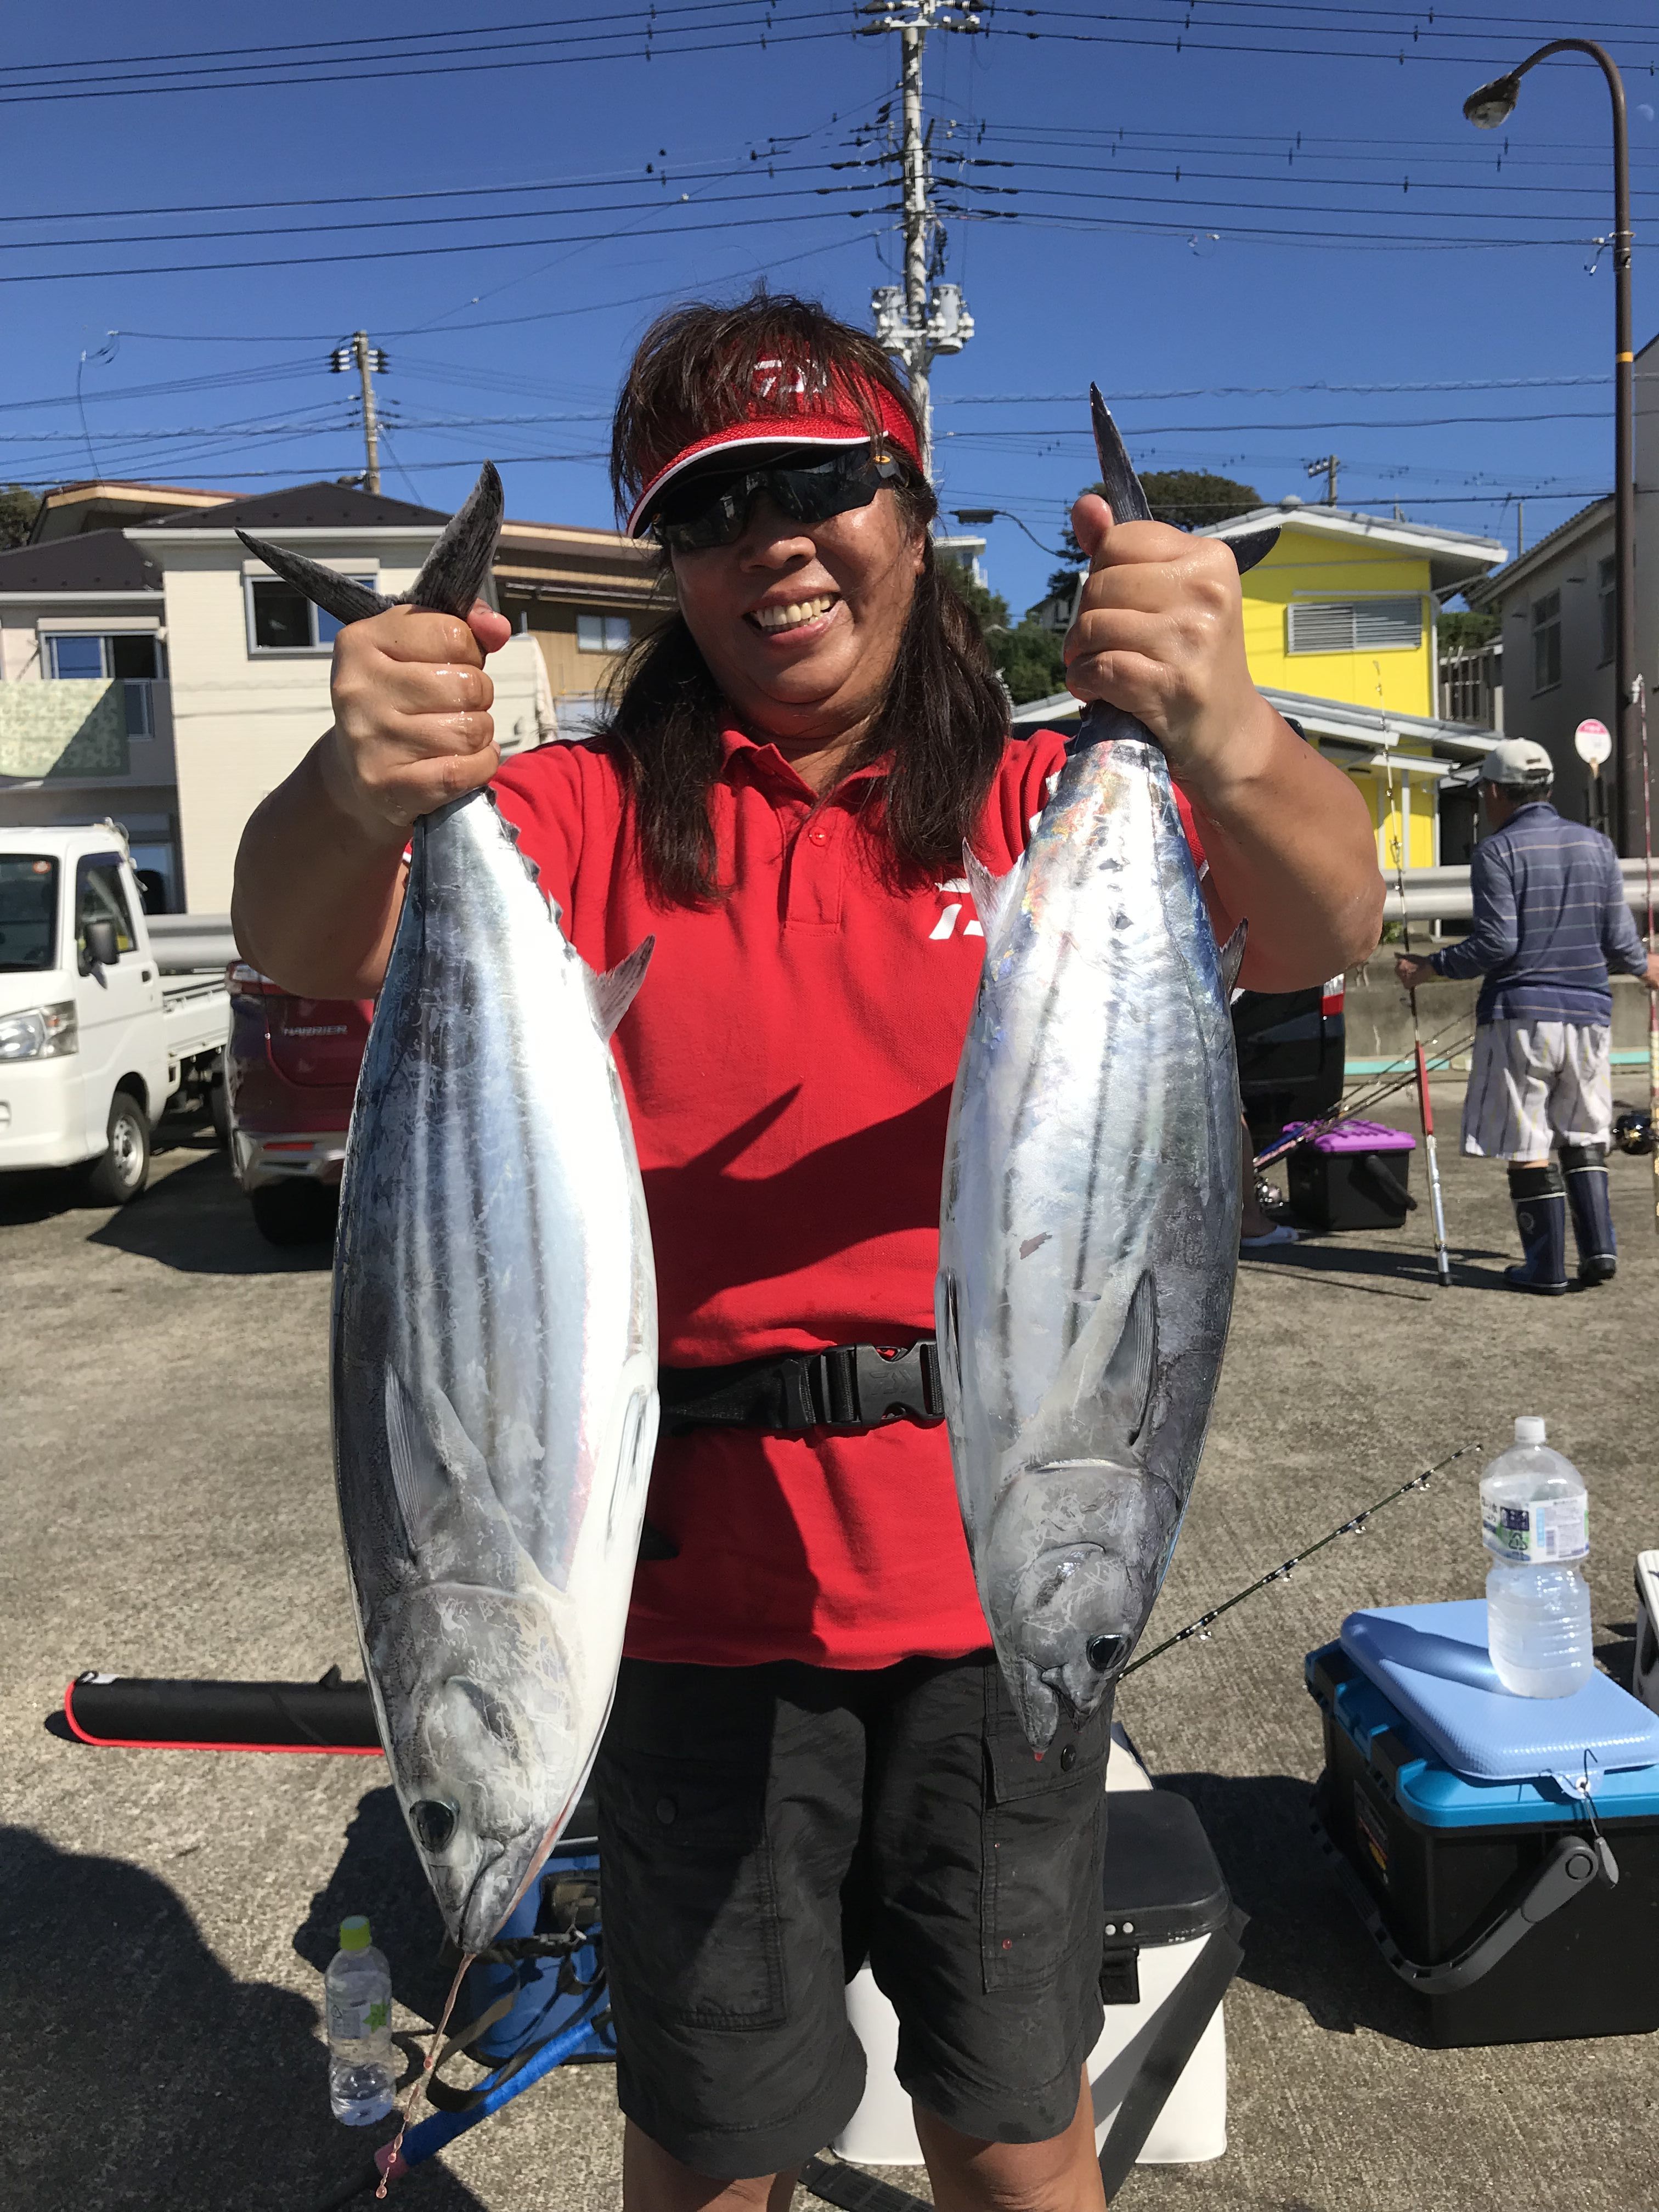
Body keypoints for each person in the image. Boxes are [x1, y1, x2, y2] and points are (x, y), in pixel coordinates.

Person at [234, 296, 1381, 2212]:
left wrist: (1229, 729)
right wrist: (357, 786)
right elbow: (296, 929)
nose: (770, 543)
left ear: (913, 511)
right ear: (669, 569)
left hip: (1000, 1590)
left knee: (1015, 2126)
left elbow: (1327, 916)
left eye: (817, 487)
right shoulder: (580, 818)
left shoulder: (1043, 802)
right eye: (709, 512)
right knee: (712, 2144)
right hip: (688, 1618)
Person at [1396, 735, 1659, 1294]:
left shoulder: (1496, 852)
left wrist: (1432, 966)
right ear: (1548, 788)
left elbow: (1497, 943)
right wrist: (1644, 968)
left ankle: (1544, 1268)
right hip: (1589, 1014)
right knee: (1583, 1132)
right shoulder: (1597, 846)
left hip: (1521, 1016)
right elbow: (1620, 941)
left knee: (1528, 1142)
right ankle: (1600, 1250)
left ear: (1495, 791)